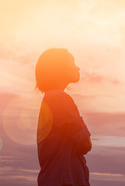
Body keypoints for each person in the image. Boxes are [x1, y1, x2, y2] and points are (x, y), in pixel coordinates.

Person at [35, 48, 92, 186]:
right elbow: (86, 143)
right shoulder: (59, 98)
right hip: (64, 180)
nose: (77, 67)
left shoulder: (50, 99)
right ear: (58, 69)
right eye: (72, 63)